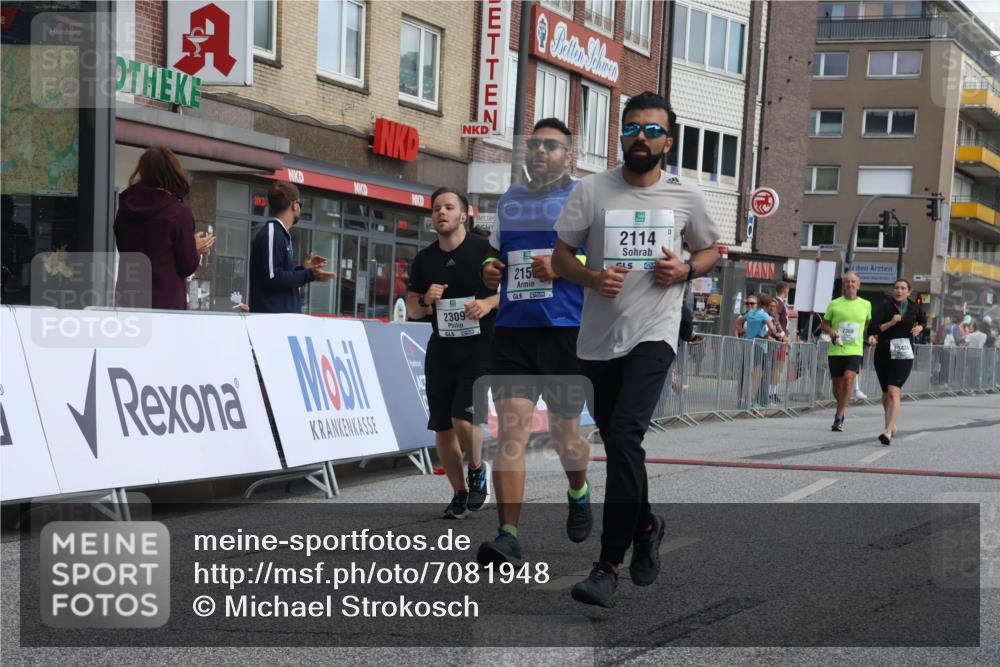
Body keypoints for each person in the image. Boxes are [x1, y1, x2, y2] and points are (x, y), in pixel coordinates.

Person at [552, 92, 720, 607]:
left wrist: (685, 269)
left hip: (655, 332)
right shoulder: (591, 190)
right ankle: (646, 525)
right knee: (620, 445)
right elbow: (561, 257)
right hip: (597, 341)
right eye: (631, 128)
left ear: (668, 141)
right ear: (620, 135)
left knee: (625, 436)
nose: (640, 137)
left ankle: (607, 566)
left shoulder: (686, 196)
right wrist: (591, 276)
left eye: (651, 130)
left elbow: (711, 249)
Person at [475, 118, 592, 566]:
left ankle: (578, 490)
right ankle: (507, 535)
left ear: (569, 156)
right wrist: (489, 269)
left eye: (552, 146)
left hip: (565, 330)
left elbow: (601, 258)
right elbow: (495, 251)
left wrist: (562, 265)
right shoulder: (510, 200)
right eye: (535, 145)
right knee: (511, 433)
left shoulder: (583, 199)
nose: (540, 151)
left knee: (565, 435)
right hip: (514, 332)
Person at [406, 188, 499, 519]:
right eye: (436, 209)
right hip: (442, 349)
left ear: (464, 214)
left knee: (463, 417)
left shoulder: (484, 249)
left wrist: (487, 303)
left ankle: (477, 468)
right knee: (443, 428)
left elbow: (507, 292)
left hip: (480, 347)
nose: (441, 213)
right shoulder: (425, 259)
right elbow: (413, 310)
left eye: (448, 207)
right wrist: (426, 300)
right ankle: (459, 493)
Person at [113, 146, 215, 310]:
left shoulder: (125, 209)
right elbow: (187, 266)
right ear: (173, 172)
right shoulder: (178, 213)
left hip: (128, 300)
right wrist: (194, 248)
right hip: (164, 305)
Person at [248, 181, 334, 313]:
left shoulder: (280, 234)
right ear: (294, 205)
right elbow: (273, 277)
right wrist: (310, 274)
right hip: (273, 319)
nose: (300, 208)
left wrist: (304, 269)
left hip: (282, 318)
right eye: (300, 204)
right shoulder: (273, 233)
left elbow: (280, 276)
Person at [866, 278, 925, 445]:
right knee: (886, 393)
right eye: (897, 288)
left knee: (894, 391)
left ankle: (887, 431)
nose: (899, 291)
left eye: (903, 288)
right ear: (893, 290)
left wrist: (920, 328)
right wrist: (890, 323)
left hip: (903, 352)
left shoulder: (914, 307)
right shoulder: (884, 306)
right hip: (884, 352)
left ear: (908, 291)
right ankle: (891, 424)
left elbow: (923, 320)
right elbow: (872, 328)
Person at [821, 272, 872, 432]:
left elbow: (867, 324)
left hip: (855, 349)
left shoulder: (866, 304)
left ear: (858, 285)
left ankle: (839, 416)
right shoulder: (834, 304)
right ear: (844, 285)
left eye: (853, 282)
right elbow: (824, 324)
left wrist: (869, 337)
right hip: (836, 349)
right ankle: (841, 405)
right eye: (847, 282)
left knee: (849, 379)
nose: (850, 284)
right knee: (837, 387)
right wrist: (832, 332)